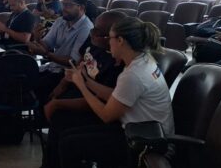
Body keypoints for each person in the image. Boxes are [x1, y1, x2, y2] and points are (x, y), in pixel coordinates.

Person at [58, 17, 174, 168]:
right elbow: (116, 96)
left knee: (69, 144)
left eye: (110, 38)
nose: (108, 42)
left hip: (145, 142)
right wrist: (85, 79)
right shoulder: (142, 60)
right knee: (67, 135)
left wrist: (81, 85)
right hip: (142, 131)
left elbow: (106, 115)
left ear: (120, 40)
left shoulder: (133, 74)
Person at [41, 11, 127, 168]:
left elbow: (106, 107)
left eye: (98, 32)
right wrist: (65, 84)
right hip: (86, 91)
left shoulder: (120, 63)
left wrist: (59, 103)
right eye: (93, 29)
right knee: (50, 101)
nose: (92, 34)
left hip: (110, 117)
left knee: (62, 121)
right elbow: (81, 63)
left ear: (113, 38)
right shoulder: (95, 41)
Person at [28, 0, 93, 103]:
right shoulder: (60, 21)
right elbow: (47, 45)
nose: (64, 9)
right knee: (23, 76)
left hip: (67, 75)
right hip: (52, 67)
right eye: (63, 4)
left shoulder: (86, 28)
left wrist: (46, 54)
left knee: (34, 87)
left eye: (68, 5)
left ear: (81, 7)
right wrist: (37, 38)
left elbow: (72, 62)